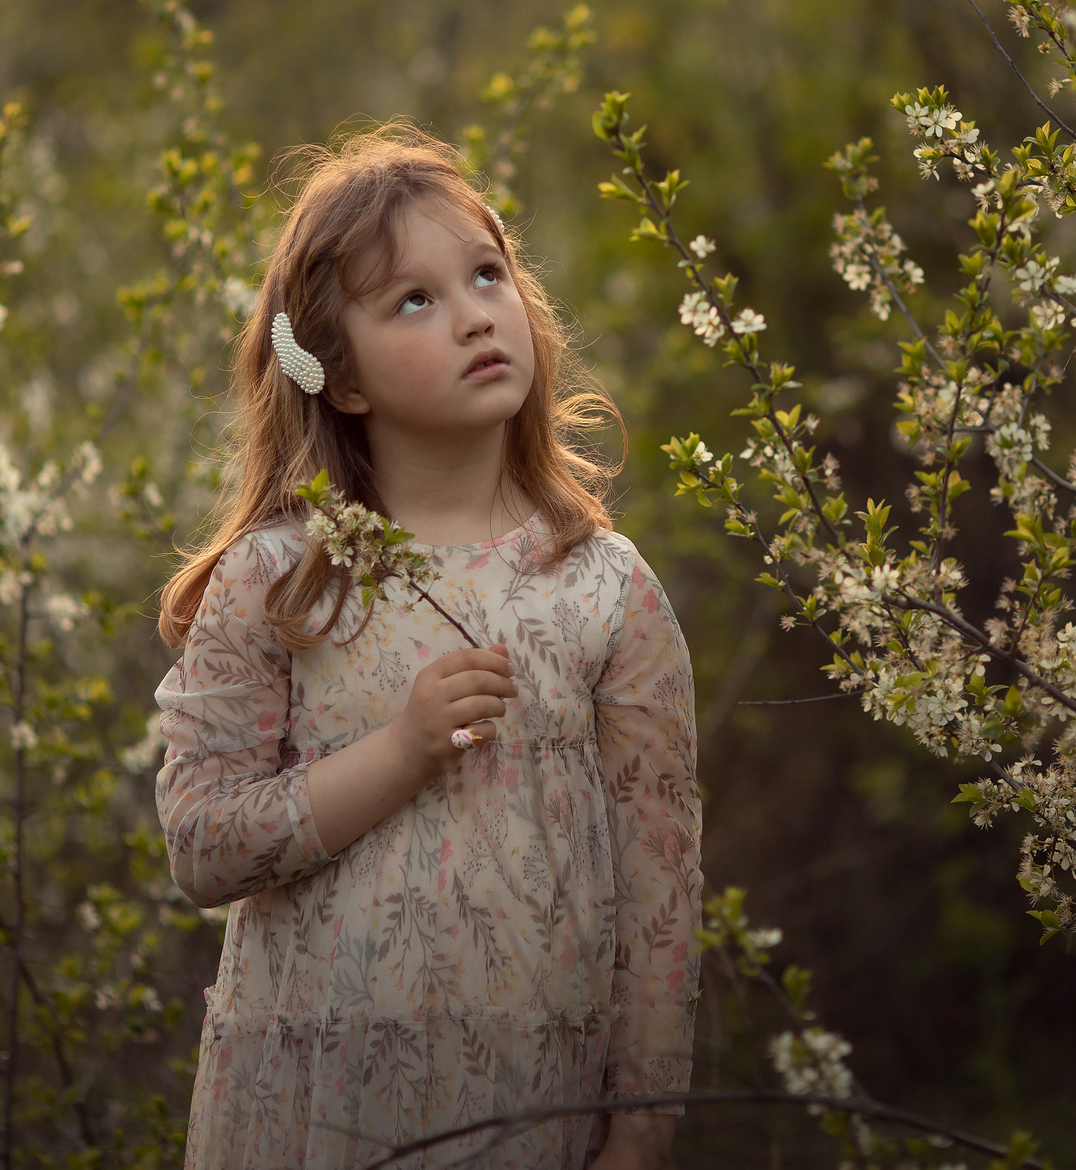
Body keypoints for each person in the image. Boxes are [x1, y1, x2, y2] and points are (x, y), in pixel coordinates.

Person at [153, 125, 700, 1170]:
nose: (473, 316)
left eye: (486, 274)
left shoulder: (603, 588)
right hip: (311, 1103)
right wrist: (398, 753)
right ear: (340, 377)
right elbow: (202, 844)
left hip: (528, 1105)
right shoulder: (283, 581)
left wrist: (641, 1127)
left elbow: (661, 892)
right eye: (413, 299)